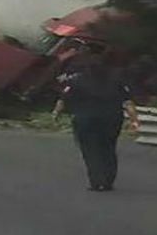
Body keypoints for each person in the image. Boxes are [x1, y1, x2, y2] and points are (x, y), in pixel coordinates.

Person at [52, 52, 140, 192]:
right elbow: (128, 103)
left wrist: (56, 114)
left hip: (85, 119)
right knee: (108, 148)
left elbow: (63, 99)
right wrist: (134, 121)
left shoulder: (77, 80)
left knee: (90, 150)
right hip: (111, 119)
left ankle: (96, 181)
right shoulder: (117, 80)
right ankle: (108, 180)